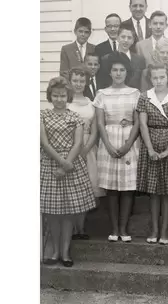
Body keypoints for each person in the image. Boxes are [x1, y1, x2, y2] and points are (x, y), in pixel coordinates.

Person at [41, 77, 96, 267]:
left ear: (68, 96)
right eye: (55, 95)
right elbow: (44, 142)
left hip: (71, 167)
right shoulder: (42, 115)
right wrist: (60, 162)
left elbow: (78, 142)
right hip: (50, 165)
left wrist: (67, 163)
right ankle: (54, 252)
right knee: (52, 214)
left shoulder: (75, 117)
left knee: (68, 213)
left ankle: (65, 253)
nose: (59, 99)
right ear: (50, 96)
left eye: (62, 95)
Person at [93, 52, 140, 242]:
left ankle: (124, 228)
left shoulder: (135, 93)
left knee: (127, 187)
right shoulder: (102, 94)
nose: (118, 73)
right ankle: (114, 229)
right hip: (109, 141)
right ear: (110, 72)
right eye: (115, 70)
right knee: (112, 188)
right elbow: (99, 123)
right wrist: (108, 145)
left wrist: (128, 143)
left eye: (122, 70)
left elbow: (138, 121)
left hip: (129, 140)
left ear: (126, 72)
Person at [136, 63, 168, 245]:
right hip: (150, 142)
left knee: (167, 192)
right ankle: (154, 229)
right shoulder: (144, 97)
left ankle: (165, 230)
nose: (158, 81)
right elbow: (142, 124)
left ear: (167, 77)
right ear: (150, 78)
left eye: (162, 77)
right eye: (155, 77)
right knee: (153, 192)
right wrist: (149, 149)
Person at [68, 67, 104, 240]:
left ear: (87, 82)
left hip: (88, 149)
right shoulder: (66, 103)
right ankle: (72, 228)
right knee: (71, 188)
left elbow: (96, 130)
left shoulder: (92, 103)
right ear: (70, 81)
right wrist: (74, 151)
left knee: (85, 188)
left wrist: (86, 149)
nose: (78, 84)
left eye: (82, 81)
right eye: (75, 80)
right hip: (68, 150)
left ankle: (81, 229)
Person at [103, 24, 146, 89]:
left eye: (129, 38)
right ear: (117, 38)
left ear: (133, 41)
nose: (126, 40)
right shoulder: (106, 58)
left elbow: (142, 82)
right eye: (123, 37)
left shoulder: (140, 60)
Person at [95, 13, 122, 87]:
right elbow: (98, 74)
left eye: (116, 26)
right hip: (106, 90)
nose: (113, 29)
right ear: (105, 29)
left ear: (121, 28)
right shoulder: (98, 49)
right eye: (109, 26)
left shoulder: (127, 46)